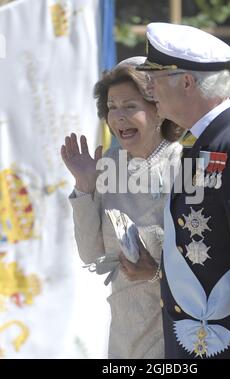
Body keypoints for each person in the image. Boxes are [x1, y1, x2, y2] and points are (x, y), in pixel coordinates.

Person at [137, 23, 230, 359]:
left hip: (225, 345)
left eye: (155, 80)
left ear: (187, 82)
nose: (150, 90)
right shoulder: (203, 142)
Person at [61, 56, 183, 359]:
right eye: (112, 108)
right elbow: (91, 253)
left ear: (159, 109)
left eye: (130, 106)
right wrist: (85, 185)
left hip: (177, 331)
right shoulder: (110, 165)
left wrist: (155, 274)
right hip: (125, 336)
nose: (118, 117)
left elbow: (207, 262)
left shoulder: (186, 166)